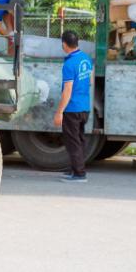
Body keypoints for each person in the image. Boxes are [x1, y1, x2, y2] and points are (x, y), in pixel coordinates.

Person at [53, 30, 93, 183]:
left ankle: (79, 174)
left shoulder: (69, 64)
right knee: (80, 141)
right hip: (84, 107)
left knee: (73, 142)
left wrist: (59, 112)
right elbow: (89, 80)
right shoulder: (86, 58)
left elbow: (67, 91)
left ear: (64, 44)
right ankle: (76, 170)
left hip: (72, 108)